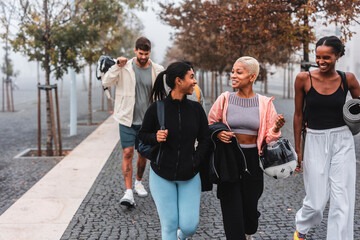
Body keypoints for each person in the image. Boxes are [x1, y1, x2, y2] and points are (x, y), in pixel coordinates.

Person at [208, 56, 285, 240]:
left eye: (238, 72)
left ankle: (248, 230)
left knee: (250, 213)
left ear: (252, 77)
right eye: (232, 71)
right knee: (232, 212)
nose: (233, 75)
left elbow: (269, 139)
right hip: (228, 160)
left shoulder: (265, 103)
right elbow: (210, 124)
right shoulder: (225, 99)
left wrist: (275, 128)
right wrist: (218, 134)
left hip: (252, 162)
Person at [293, 36, 360, 240]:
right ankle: (302, 229)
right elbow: (298, 115)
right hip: (314, 140)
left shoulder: (348, 79)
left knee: (342, 200)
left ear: (338, 56)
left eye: (327, 57)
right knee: (316, 201)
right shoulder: (303, 79)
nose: (321, 61)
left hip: (343, 141)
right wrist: (298, 151)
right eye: (318, 57)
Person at [138, 62, 209, 240]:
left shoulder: (196, 109)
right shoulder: (157, 108)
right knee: (169, 225)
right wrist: (156, 137)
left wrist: (195, 161)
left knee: (189, 226)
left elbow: (205, 139)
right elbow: (142, 136)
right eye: (191, 77)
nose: (195, 81)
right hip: (161, 175)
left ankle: (181, 236)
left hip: (190, 175)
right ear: (179, 81)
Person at [102, 37, 164, 207]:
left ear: (149, 52)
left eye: (146, 53)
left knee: (143, 154)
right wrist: (116, 65)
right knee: (128, 152)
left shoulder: (157, 70)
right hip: (127, 119)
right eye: (140, 53)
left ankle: (138, 182)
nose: (143, 56)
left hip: (147, 122)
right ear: (135, 51)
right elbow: (106, 82)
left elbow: (165, 90)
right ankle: (128, 192)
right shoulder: (124, 68)